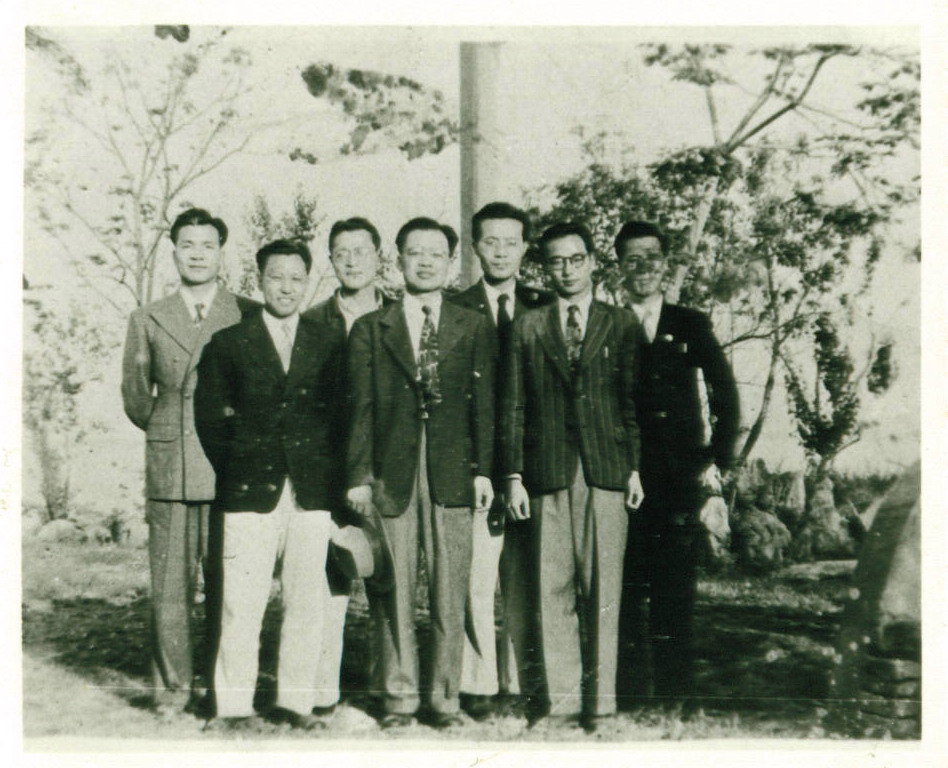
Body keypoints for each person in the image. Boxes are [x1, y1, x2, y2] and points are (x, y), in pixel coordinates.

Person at [346, 217, 496, 729]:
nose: (426, 262)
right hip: (393, 473)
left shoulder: (472, 324)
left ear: (451, 262)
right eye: (415, 253)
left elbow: (485, 405)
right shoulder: (372, 328)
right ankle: (399, 700)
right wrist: (359, 476)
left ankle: (446, 701)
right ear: (399, 260)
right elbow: (360, 409)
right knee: (393, 589)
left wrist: (484, 471)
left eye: (436, 254)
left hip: (453, 471)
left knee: (451, 590)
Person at [194, 239, 350, 731]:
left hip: (311, 492)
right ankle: (233, 707)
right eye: (276, 277)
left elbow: (342, 418)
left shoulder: (329, 342)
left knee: (306, 601)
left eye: (296, 278)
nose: (286, 287)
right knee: (242, 601)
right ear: (259, 280)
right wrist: (241, 466)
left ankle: (296, 703)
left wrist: (325, 476)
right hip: (249, 492)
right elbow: (210, 421)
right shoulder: (229, 343)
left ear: (308, 282)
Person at [501, 222, 644, 732]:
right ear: (545, 267)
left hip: (606, 472)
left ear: (592, 263)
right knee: (552, 590)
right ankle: (561, 707)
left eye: (576, 259)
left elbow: (632, 402)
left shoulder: (620, 323)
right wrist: (513, 475)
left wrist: (634, 469)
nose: (567, 269)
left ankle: (601, 707)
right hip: (547, 472)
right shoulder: (528, 326)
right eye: (556, 261)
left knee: (604, 593)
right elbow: (513, 405)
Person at [121, 207, 255, 712]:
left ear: (221, 253)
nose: (198, 255)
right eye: (188, 246)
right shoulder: (147, 317)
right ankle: (172, 689)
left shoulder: (247, 312)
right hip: (172, 466)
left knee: (229, 583)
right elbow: (137, 396)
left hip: (230, 466)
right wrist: (169, 427)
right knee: (170, 586)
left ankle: (221, 687)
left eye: (207, 246)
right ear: (174, 252)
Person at [613, 220, 740, 708]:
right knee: (625, 590)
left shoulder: (690, 322)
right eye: (632, 259)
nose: (643, 267)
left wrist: (715, 461)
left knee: (674, 591)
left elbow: (724, 394)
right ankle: (627, 698)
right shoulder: (608, 322)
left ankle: (674, 699)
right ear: (620, 267)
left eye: (652, 257)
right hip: (623, 476)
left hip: (678, 478)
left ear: (665, 264)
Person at [448, 202, 553, 720]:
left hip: (536, 470)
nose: (501, 252)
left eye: (511, 242)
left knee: (527, 583)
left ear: (525, 248)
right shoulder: (453, 308)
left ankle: (523, 683)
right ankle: (479, 687)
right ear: (475, 247)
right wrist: (474, 468)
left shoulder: (547, 306)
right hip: (477, 469)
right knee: (477, 579)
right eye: (491, 242)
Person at [302, 217, 393, 332]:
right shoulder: (311, 321)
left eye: (360, 252)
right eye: (341, 255)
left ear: (378, 257)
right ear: (332, 261)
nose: (352, 262)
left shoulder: (402, 313)